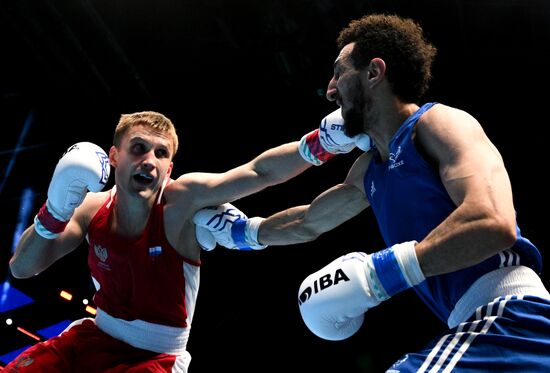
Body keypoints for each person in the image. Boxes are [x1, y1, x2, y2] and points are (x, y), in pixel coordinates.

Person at [193, 14, 550, 372]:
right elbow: (307, 221)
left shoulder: (439, 124)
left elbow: (492, 222)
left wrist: (378, 276)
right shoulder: (368, 170)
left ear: (374, 73)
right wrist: (243, 233)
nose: (331, 89)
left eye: (339, 72)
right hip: (478, 323)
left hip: (511, 313)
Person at [6, 110, 368, 372]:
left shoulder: (181, 202)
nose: (149, 161)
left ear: (169, 169)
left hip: (154, 358)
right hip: (93, 336)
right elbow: (22, 268)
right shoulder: (91, 207)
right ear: (114, 156)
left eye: (160, 153)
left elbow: (260, 172)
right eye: (138, 148)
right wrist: (54, 209)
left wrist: (325, 143)